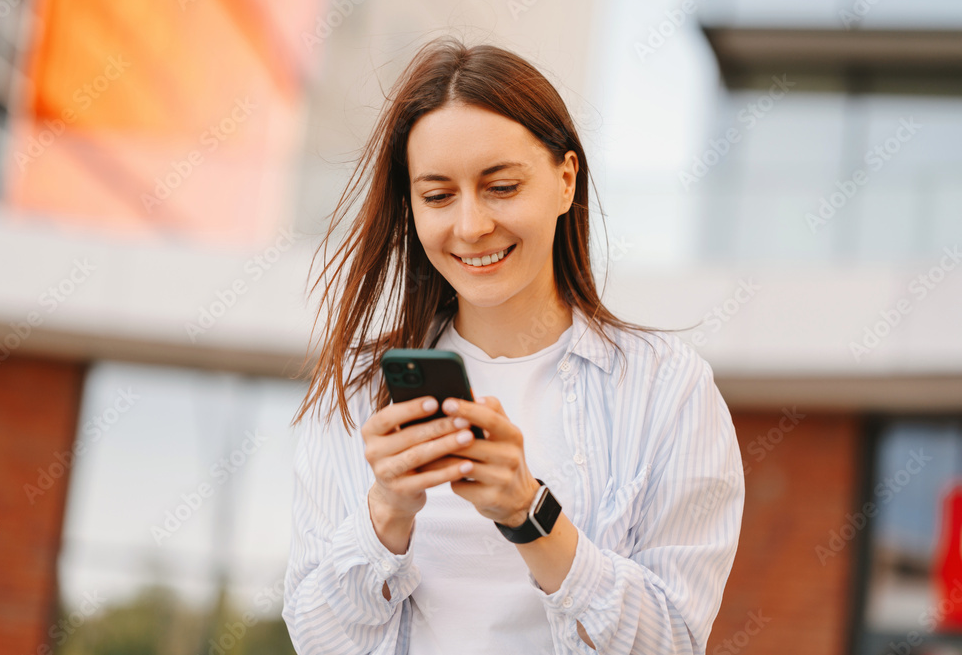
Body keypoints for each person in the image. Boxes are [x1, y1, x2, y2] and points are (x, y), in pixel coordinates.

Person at [282, 36, 744, 655]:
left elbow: (673, 642)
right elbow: (317, 642)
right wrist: (387, 511)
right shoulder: (361, 391)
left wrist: (529, 513)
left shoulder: (668, 388)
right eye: (438, 196)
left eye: (501, 186)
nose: (471, 226)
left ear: (565, 181)